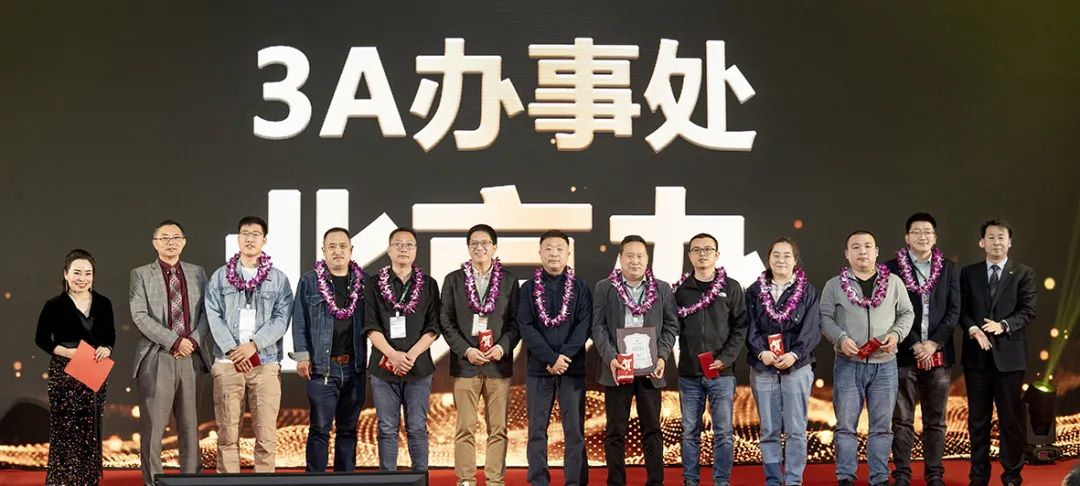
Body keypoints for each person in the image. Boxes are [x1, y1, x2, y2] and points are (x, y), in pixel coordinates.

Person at [820, 230, 914, 486]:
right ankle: (845, 477)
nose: (862, 251)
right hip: (847, 365)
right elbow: (825, 318)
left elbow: (907, 313)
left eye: (867, 246)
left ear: (876, 252)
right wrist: (840, 338)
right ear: (846, 253)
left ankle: (879, 478)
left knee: (882, 427)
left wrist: (896, 334)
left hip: (885, 365)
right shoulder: (834, 285)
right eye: (856, 247)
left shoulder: (894, 282)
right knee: (845, 426)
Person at [206, 216, 293, 473]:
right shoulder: (220, 277)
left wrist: (254, 345)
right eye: (245, 233)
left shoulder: (278, 279)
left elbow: (281, 319)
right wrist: (233, 349)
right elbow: (213, 314)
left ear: (264, 240)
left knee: (266, 433)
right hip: (227, 362)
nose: (250, 238)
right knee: (227, 433)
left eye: (256, 234)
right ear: (238, 238)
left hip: (265, 363)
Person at [129, 220, 211, 485]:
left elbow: (208, 312)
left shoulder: (197, 273)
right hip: (157, 356)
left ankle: (191, 481)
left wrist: (193, 341)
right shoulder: (141, 274)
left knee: (190, 426)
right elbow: (140, 315)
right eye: (164, 238)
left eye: (176, 237)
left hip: (191, 357)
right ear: (155, 243)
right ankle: (153, 482)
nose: (171, 242)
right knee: (153, 428)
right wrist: (174, 341)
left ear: (184, 242)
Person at [593, 235, 679, 486]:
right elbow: (598, 327)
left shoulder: (662, 288)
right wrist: (611, 357)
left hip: (651, 370)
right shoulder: (604, 288)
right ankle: (616, 482)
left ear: (647, 259)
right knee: (615, 432)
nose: (635, 260)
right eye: (629, 255)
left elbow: (671, 325)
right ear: (620, 259)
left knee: (652, 429)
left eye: (640, 256)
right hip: (618, 369)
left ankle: (655, 482)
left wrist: (661, 356)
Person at [439, 224, 520, 486]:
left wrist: (502, 347)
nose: (479, 247)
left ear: (494, 247)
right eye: (474, 243)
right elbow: (445, 321)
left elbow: (516, 323)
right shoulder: (453, 280)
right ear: (468, 248)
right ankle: (466, 480)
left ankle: (495, 481)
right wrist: (467, 350)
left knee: (498, 429)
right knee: (464, 428)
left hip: (498, 365)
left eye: (485, 243)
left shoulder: (509, 280)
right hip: (466, 365)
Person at [885, 213, 960, 486]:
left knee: (936, 421)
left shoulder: (950, 269)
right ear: (907, 237)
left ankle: (934, 475)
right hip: (905, 353)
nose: (922, 236)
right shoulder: (890, 269)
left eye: (927, 232)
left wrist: (933, 343)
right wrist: (916, 342)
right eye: (916, 232)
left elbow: (954, 311)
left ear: (935, 237)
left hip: (939, 353)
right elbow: (891, 311)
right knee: (902, 419)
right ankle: (902, 474)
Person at [962, 219, 1037, 486]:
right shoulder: (969, 273)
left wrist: (1003, 325)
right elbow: (961, 310)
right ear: (982, 242)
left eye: (1001, 237)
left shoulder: (1024, 273)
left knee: (1010, 421)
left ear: (1010, 242)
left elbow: (1028, 311)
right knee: (977, 422)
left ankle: (1012, 477)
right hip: (976, 359)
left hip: (1010, 360)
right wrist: (973, 329)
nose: (996, 242)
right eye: (991, 237)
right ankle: (978, 477)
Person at [35, 249, 116, 485]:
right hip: (64, 371)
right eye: (77, 272)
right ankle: (62, 479)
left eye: (88, 273)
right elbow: (41, 339)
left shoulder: (103, 303)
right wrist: (67, 353)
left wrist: (107, 349)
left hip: (94, 368)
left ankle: (88, 479)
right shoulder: (54, 305)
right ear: (66, 274)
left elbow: (110, 335)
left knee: (90, 427)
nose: (82, 278)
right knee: (64, 428)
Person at [363, 227, 441, 472]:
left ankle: (420, 478)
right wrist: (393, 355)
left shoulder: (429, 284)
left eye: (409, 245)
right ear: (389, 250)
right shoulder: (373, 284)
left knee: (417, 427)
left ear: (416, 251)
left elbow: (433, 327)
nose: (403, 249)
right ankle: (387, 480)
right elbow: (370, 326)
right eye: (398, 244)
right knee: (387, 428)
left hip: (418, 367)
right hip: (383, 368)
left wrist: (411, 356)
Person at [518, 230, 592, 486]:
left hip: (572, 369)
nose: (554, 254)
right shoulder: (528, 288)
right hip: (539, 369)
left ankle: (575, 481)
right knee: (536, 431)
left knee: (574, 431)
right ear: (540, 253)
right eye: (548, 248)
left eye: (559, 249)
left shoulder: (581, 287)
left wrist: (564, 357)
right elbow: (526, 326)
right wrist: (550, 358)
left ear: (568, 253)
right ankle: (538, 481)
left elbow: (584, 325)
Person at [672, 233, 747, 486]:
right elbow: (671, 326)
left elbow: (740, 327)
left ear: (717, 254)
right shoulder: (680, 290)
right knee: (689, 432)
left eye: (707, 249)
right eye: (696, 250)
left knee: (724, 433)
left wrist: (725, 359)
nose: (702, 254)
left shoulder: (732, 287)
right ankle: (690, 480)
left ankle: (721, 481)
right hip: (689, 374)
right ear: (690, 255)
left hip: (721, 374)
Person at [290, 227, 367, 472]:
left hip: (355, 367)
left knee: (348, 429)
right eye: (331, 246)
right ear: (323, 251)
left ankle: (345, 478)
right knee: (319, 428)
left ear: (351, 250)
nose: (337, 251)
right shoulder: (309, 281)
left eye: (342, 246)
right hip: (322, 367)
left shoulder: (364, 283)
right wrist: (302, 356)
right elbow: (299, 320)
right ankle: (315, 479)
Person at [746, 236, 819, 486]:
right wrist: (761, 353)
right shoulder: (754, 291)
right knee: (769, 429)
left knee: (796, 429)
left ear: (795, 260)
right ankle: (773, 480)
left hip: (797, 367)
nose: (781, 260)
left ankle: (794, 480)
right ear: (768, 259)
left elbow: (812, 329)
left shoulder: (807, 291)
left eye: (787, 255)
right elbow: (749, 327)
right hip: (763, 367)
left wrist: (794, 354)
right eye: (776, 255)